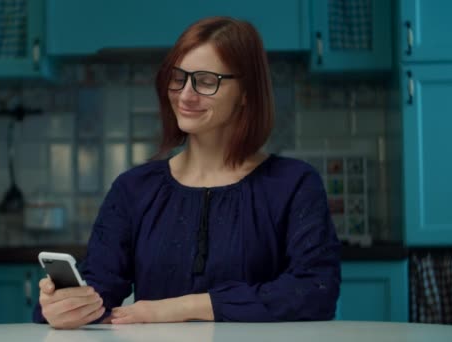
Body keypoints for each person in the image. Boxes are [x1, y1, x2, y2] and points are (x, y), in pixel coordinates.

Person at [34, 16, 341, 329]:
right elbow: (100, 287)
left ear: (246, 92)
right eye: (177, 78)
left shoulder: (294, 184)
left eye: (206, 81)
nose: (185, 95)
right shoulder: (133, 188)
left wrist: (182, 307)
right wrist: (63, 304)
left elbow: (316, 290)